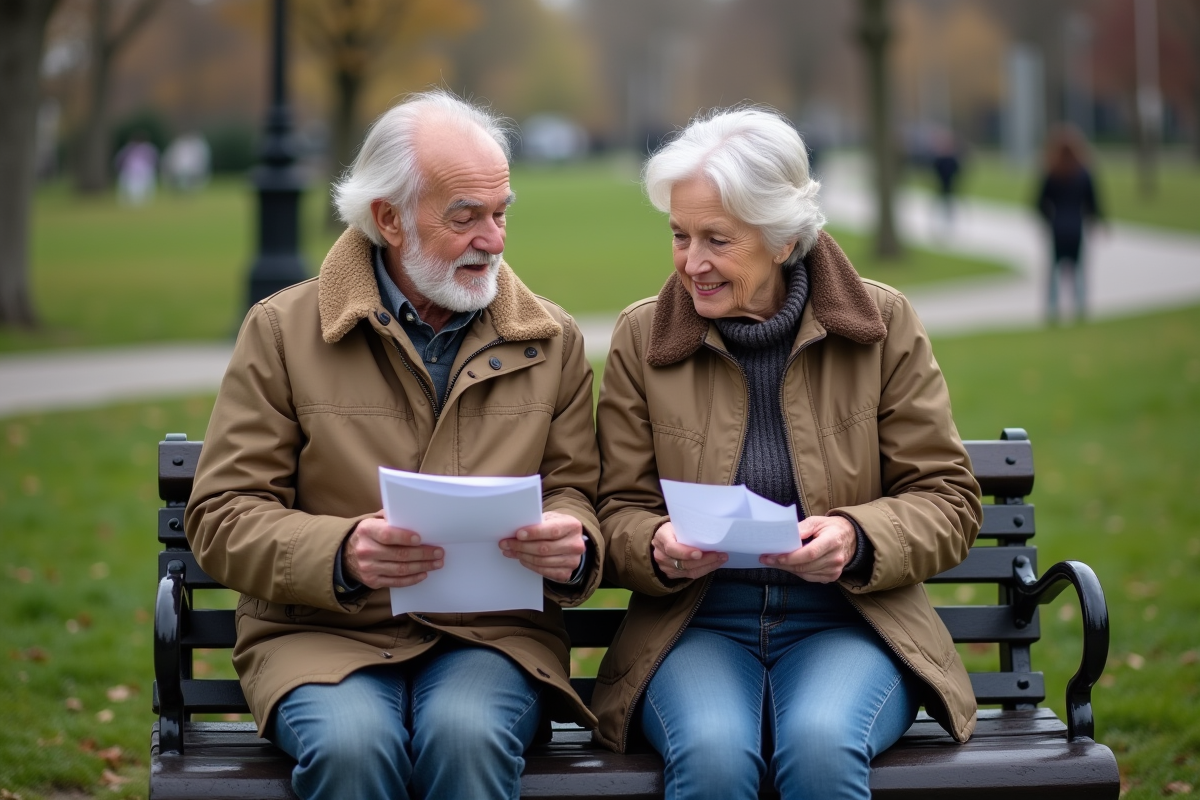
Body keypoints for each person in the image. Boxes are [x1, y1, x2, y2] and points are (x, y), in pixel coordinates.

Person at [184, 90, 603, 800]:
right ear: (389, 219)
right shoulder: (283, 331)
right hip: (319, 636)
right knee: (352, 749)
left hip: (491, 638)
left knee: (466, 737)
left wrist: (574, 542)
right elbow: (222, 515)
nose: (494, 239)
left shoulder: (551, 339)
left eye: (502, 213)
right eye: (465, 217)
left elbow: (576, 492)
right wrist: (343, 552)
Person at [590, 107, 983, 800]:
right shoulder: (641, 337)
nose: (692, 262)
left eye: (717, 239)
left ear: (781, 240)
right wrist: (654, 543)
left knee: (822, 748)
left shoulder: (881, 325)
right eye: (680, 236)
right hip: (695, 622)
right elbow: (616, 507)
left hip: (850, 621)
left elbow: (948, 499)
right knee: (711, 756)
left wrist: (856, 537)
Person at [1036, 124, 1103, 323]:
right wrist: (1096, 221)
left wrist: (1048, 219)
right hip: (1076, 226)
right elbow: (1094, 201)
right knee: (1079, 270)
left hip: (1057, 226)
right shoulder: (1083, 173)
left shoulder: (1051, 172)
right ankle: (1080, 308)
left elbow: (1039, 202)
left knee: (1054, 271)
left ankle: (1052, 309)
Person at [113, 132, 158, 205]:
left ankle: (139, 203)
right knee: (134, 188)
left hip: (141, 170)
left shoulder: (147, 149)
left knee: (138, 188)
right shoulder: (129, 149)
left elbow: (119, 160)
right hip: (132, 171)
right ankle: (136, 203)